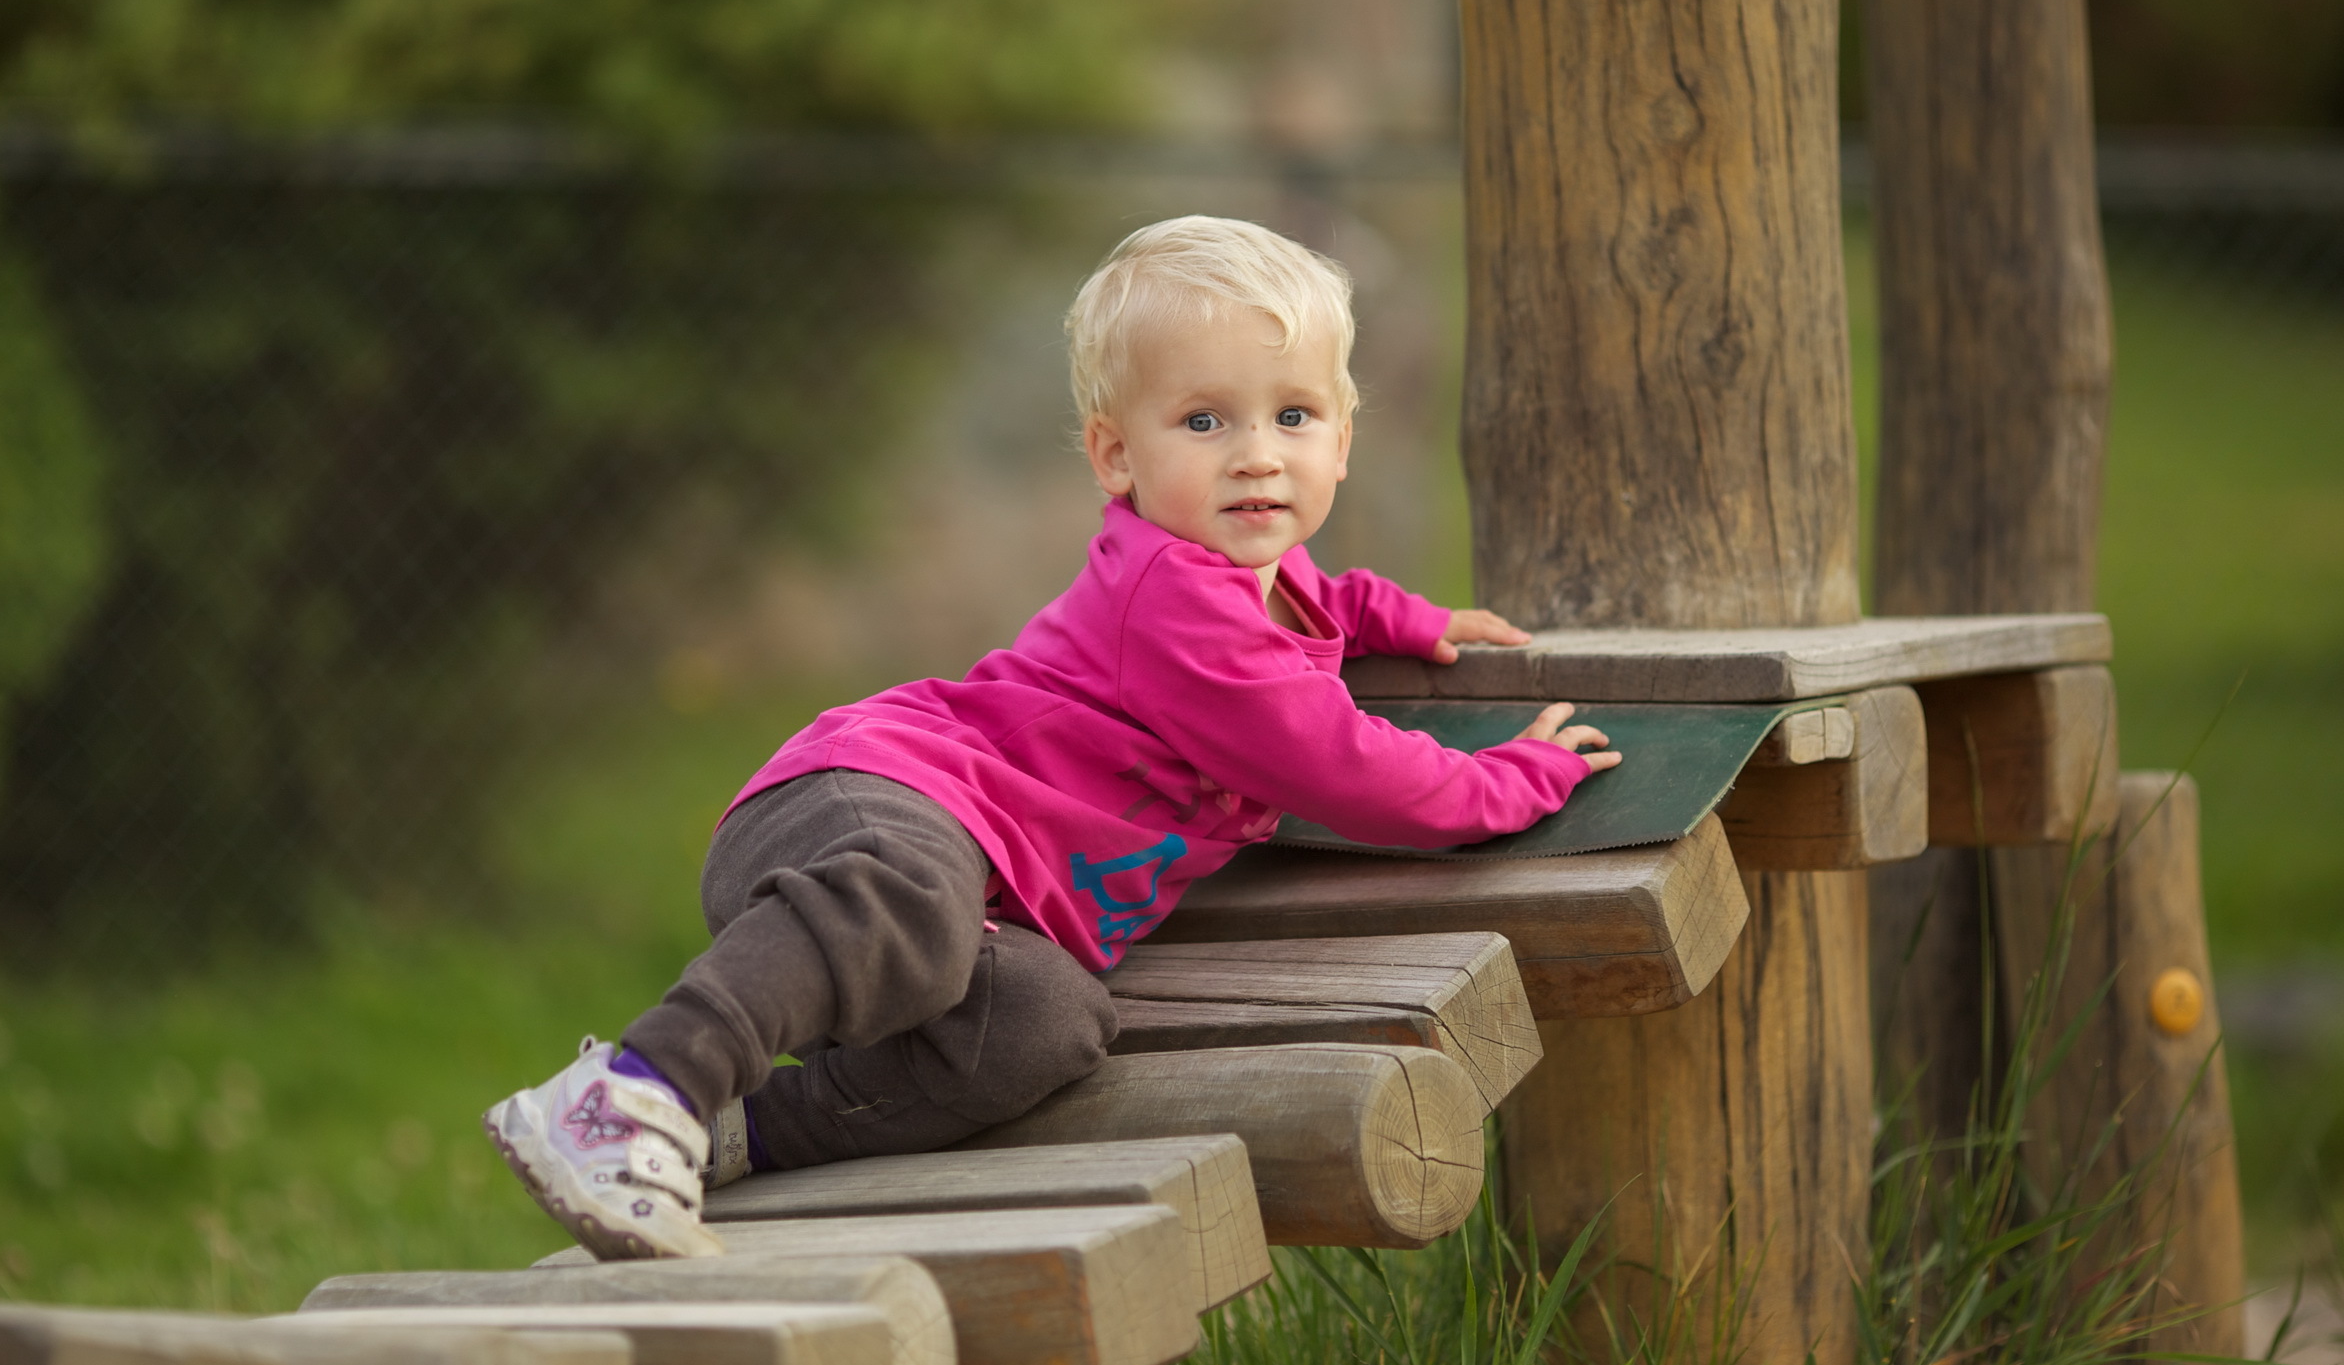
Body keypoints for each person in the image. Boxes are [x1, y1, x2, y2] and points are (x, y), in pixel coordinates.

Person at [484, 215, 1622, 1260]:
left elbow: (1325, 601)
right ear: (1115, 457)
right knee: (913, 913)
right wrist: (1513, 776)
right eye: (1203, 421)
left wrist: (1412, 619)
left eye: (1292, 416)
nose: (1257, 454)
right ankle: (633, 1089)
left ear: (1342, 436)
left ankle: (726, 1137)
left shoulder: (1254, 571)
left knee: (1040, 1028)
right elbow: (1347, 767)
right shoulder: (1179, 602)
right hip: (884, 794)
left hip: (973, 883)